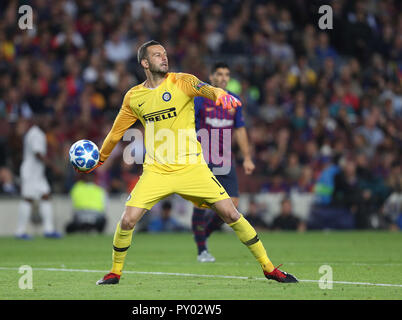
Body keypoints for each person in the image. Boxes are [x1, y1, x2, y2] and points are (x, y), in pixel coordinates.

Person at [75, 40, 297, 285]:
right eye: (157, 55)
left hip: (192, 168)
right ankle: (115, 272)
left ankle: (269, 268)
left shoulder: (182, 81)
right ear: (145, 63)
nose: (164, 57)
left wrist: (220, 94)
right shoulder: (134, 97)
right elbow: (116, 133)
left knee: (231, 214)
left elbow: (207, 89)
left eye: (165, 53)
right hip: (157, 171)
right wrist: (100, 160)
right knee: (127, 220)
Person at [191, 62, 255, 262]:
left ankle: (203, 235)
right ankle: (202, 250)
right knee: (202, 205)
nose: (224, 77)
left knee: (232, 206)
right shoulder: (201, 100)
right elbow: (188, 125)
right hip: (203, 159)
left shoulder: (234, 101)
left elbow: (240, 130)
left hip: (225, 159)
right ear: (211, 76)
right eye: (219, 74)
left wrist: (247, 157)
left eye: (227, 74)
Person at [15, 113, 61, 239]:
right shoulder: (36, 134)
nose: (47, 124)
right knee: (28, 198)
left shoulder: (38, 133)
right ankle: (20, 232)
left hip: (37, 173)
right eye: (45, 121)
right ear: (39, 121)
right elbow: (38, 154)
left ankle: (48, 230)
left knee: (45, 196)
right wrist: (53, 166)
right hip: (30, 172)